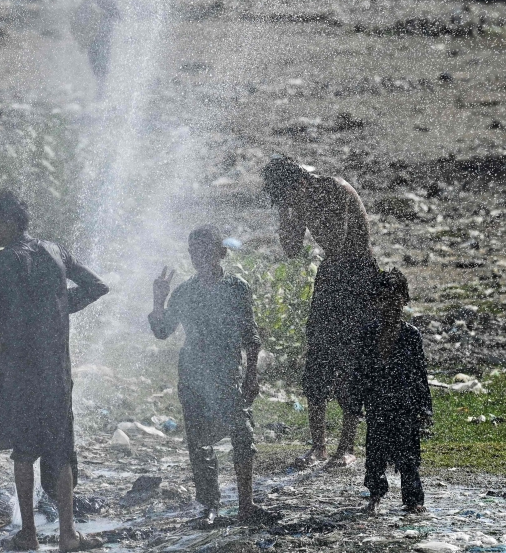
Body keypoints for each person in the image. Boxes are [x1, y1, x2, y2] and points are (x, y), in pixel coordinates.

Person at [0, 190, 109, 552]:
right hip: (55, 370)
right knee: (60, 447)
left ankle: (28, 534)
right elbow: (96, 286)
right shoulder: (55, 251)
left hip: (19, 370)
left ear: (10, 222)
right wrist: (62, 307)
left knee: (23, 450)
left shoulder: (2, 262)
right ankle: (68, 534)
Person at [149, 225, 277, 526]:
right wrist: (158, 300)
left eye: (206, 249)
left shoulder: (236, 288)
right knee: (199, 441)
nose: (199, 256)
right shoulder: (184, 293)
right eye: (194, 251)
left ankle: (247, 504)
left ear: (221, 253)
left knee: (243, 433)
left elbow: (250, 333)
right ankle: (209, 506)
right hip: (192, 374)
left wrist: (252, 374)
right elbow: (162, 332)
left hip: (227, 372)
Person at [262, 155, 377, 469]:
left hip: (357, 274)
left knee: (348, 360)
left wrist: (300, 208)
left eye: (284, 195)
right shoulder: (295, 201)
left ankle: (347, 447)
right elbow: (291, 250)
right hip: (331, 274)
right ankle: (318, 447)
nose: (285, 202)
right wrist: (286, 214)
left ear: (299, 181)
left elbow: (339, 243)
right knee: (318, 359)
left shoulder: (335, 189)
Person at [360, 269, 431, 514]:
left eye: (395, 298)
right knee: (375, 452)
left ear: (404, 299)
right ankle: (375, 495)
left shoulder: (411, 335)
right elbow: (362, 371)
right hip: (377, 402)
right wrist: (355, 400)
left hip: (405, 404)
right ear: (376, 301)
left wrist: (424, 408)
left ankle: (413, 500)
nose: (390, 304)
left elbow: (420, 375)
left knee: (409, 455)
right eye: (384, 299)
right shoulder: (368, 334)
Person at [70, 0, 120, 99]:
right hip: (93, 39)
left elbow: (118, 15)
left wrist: (105, 14)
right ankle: (99, 90)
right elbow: (77, 21)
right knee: (96, 64)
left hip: (102, 39)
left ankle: (101, 91)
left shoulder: (105, 2)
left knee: (100, 64)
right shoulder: (86, 4)